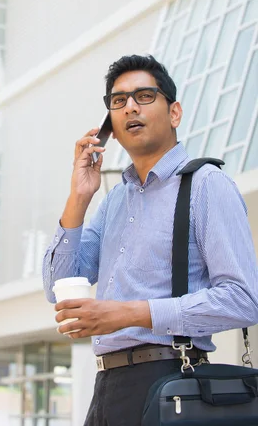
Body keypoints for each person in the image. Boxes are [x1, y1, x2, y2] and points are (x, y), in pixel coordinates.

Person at [42, 54, 258, 426]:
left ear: (174, 113)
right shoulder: (114, 200)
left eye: (144, 96)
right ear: (109, 124)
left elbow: (244, 299)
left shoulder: (207, 185)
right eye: (118, 101)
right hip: (107, 387)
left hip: (172, 381)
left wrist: (128, 313)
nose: (129, 107)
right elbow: (56, 288)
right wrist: (79, 195)